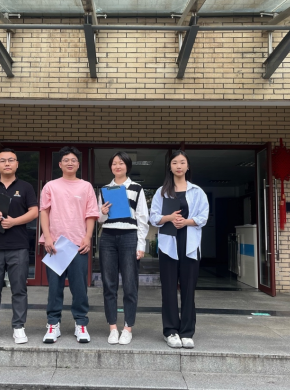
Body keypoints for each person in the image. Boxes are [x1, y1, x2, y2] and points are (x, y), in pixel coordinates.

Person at [0, 148, 39, 344]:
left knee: (19, 289)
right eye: (2, 160)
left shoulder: (26, 187)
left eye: (11, 160)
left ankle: (18, 327)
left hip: (18, 246)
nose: (7, 163)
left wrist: (14, 222)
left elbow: (34, 212)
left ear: (17, 164)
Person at [149, 150, 209, 349]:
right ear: (170, 166)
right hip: (168, 245)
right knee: (168, 289)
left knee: (188, 289)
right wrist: (169, 218)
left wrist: (186, 222)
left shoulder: (197, 191)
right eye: (175, 162)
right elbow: (153, 217)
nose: (179, 166)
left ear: (187, 166)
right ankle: (170, 331)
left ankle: (187, 332)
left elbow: (203, 217)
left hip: (190, 244)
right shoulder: (162, 191)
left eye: (182, 162)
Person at [39, 146, 99, 343]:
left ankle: (81, 324)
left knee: (79, 288)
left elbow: (91, 214)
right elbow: (44, 211)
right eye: (66, 160)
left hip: (78, 245)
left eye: (73, 160)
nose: (70, 163)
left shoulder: (86, 187)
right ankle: (53, 324)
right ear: (60, 164)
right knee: (54, 288)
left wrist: (88, 237)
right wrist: (47, 237)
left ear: (78, 164)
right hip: (56, 245)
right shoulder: (50, 186)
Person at [98, 152, 149, 345]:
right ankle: (112, 328)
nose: (117, 166)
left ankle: (128, 328)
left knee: (130, 284)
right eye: (114, 163)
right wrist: (102, 212)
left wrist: (141, 244)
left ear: (127, 166)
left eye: (121, 163)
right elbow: (100, 219)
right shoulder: (105, 189)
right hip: (108, 237)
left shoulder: (136, 188)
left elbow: (142, 218)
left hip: (129, 237)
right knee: (109, 284)